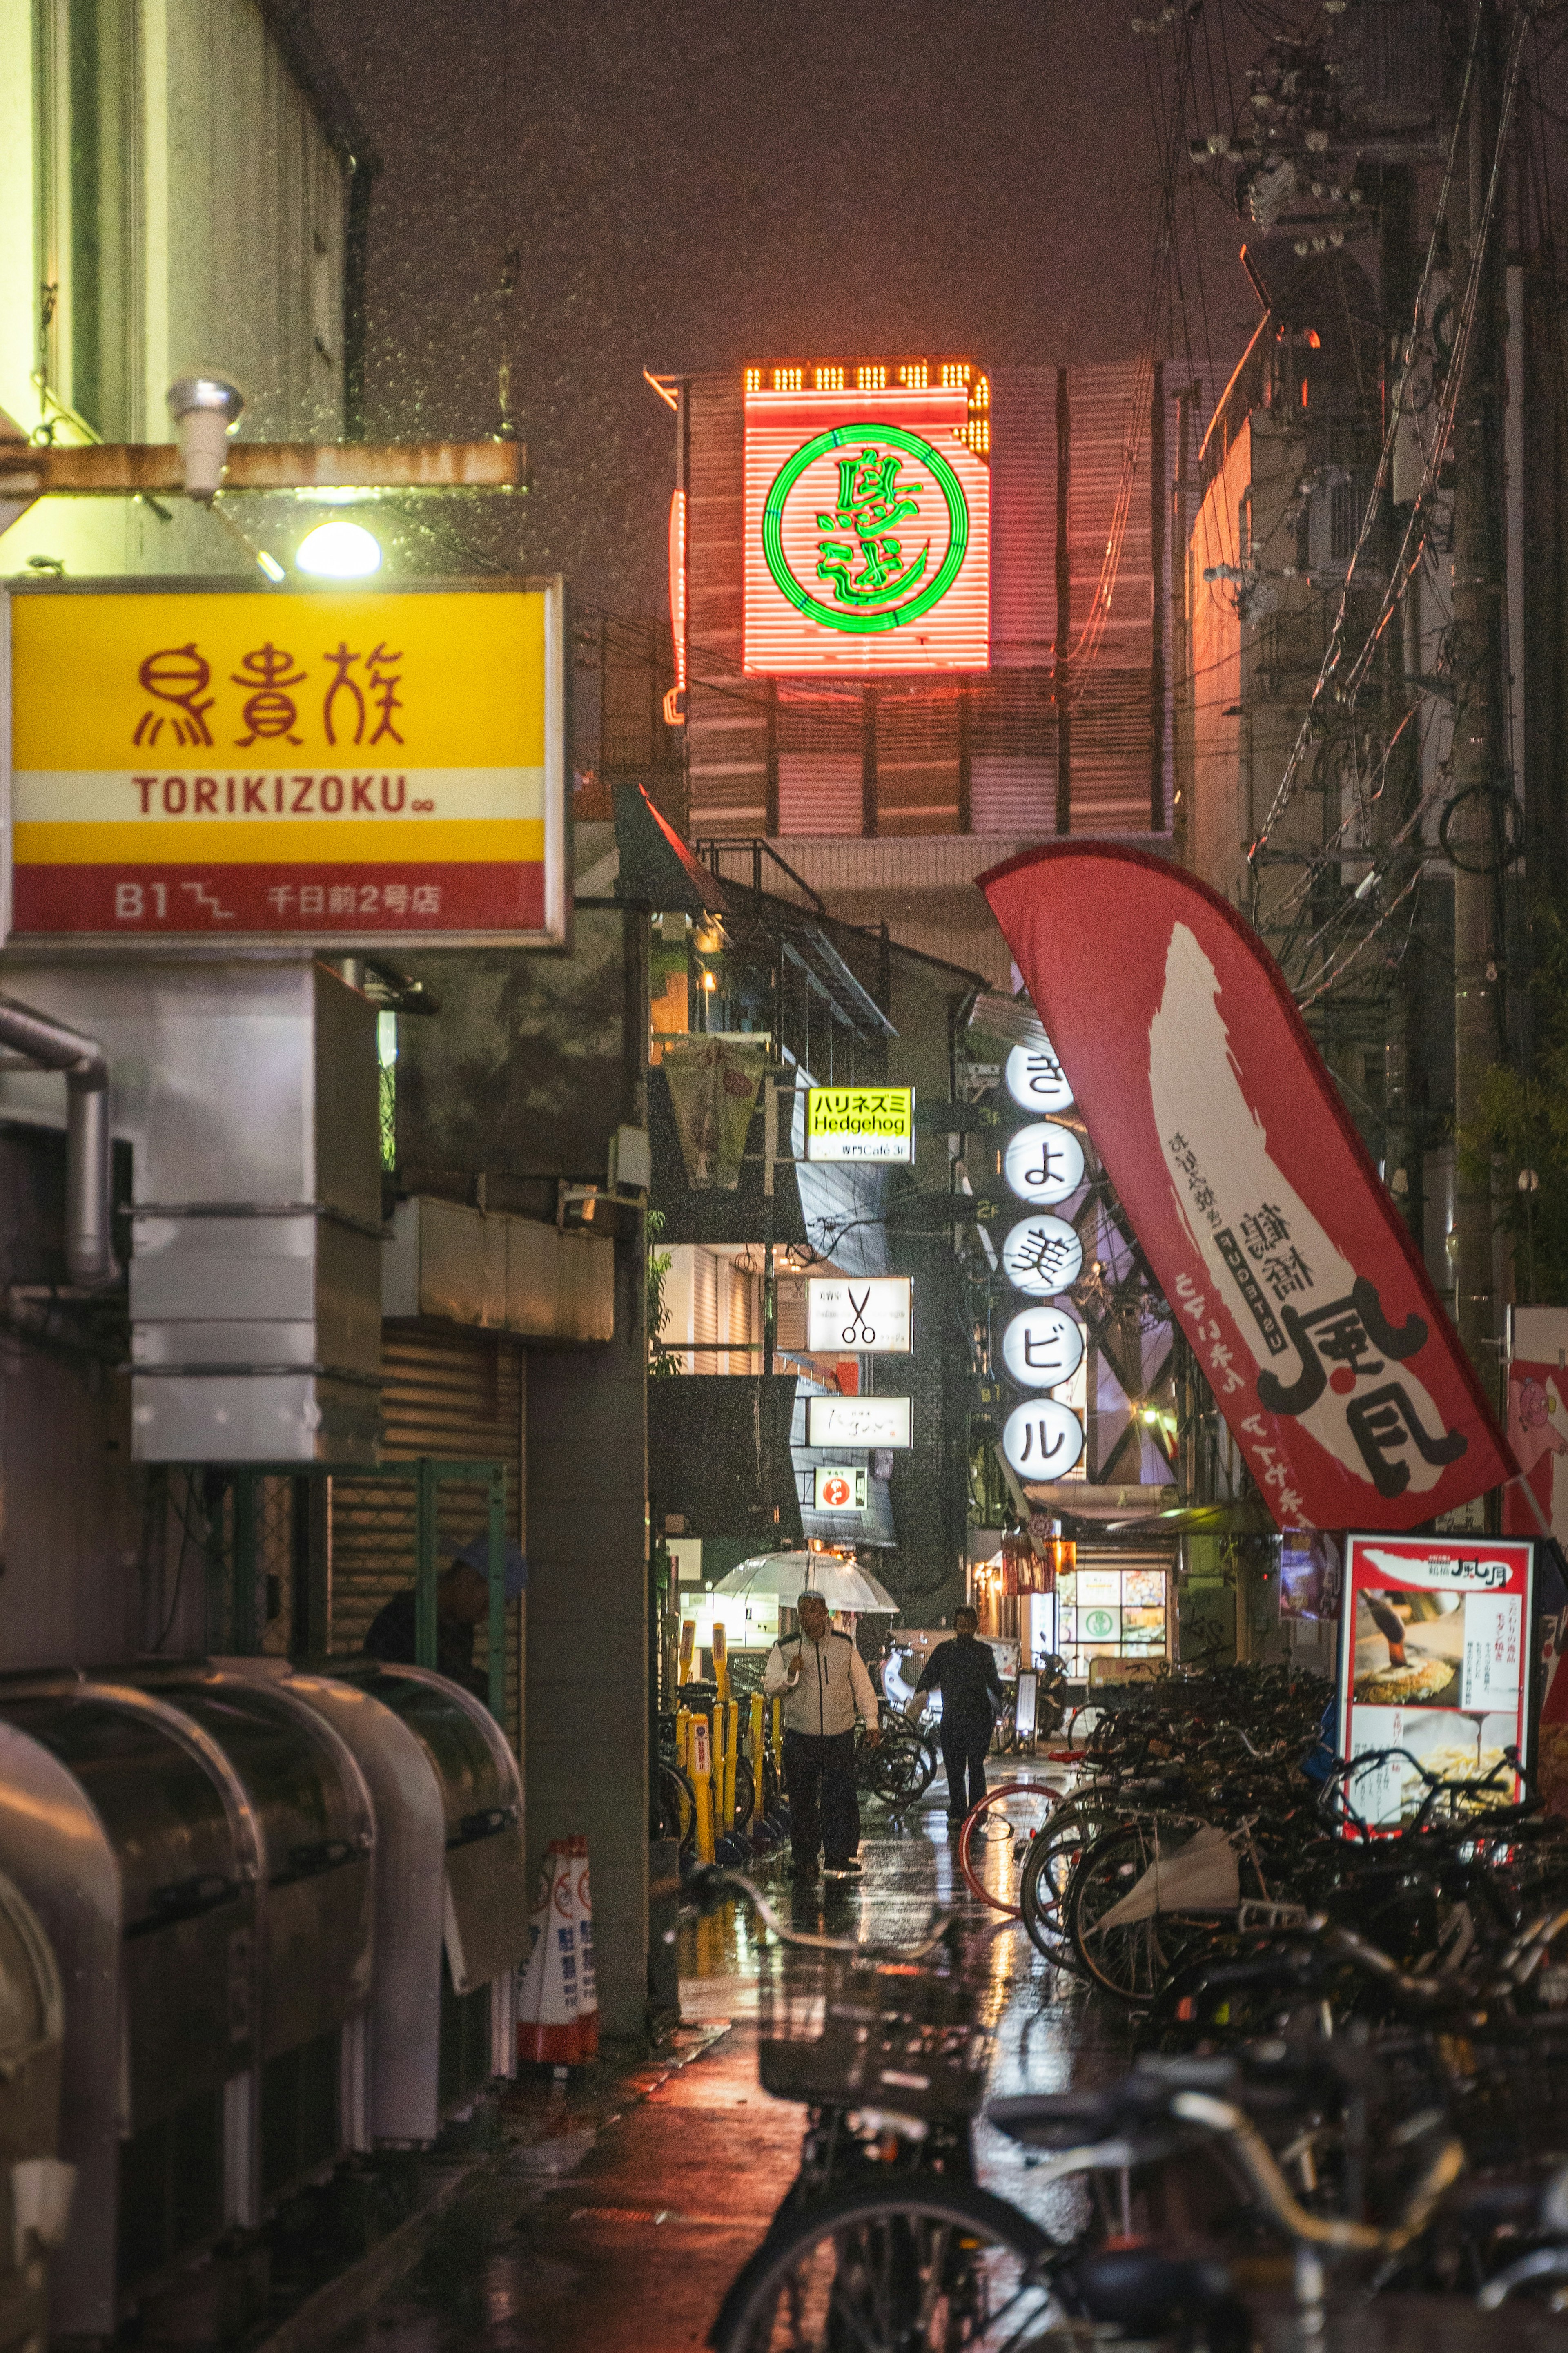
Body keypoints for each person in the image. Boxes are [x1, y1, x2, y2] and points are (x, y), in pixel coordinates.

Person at [763, 1591, 880, 1884]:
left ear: (826, 1613)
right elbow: (770, 1686)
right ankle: (804, 1859)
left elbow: (862, 1684)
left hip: (839, 1732)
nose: (809, 1617)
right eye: (803, 1611)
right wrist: (790, 1674)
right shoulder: (787, 1647)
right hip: (801, 1734)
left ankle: (839, 1855)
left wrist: (872, 1721)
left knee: (839, 1796)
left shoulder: (844, 1645)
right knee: (802, 1800)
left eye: (815, 1611)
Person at [363, 1537, 527, 1697]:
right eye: (487, 1604)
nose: (484, 1617)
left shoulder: (460, 1626)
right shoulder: (402, 1618)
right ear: (468, 1578)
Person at [911, 1607, 1004, 1829]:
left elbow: (928, 1677)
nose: (963, 1629)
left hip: (957, 1717)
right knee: (971, 1766)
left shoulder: (947, 1651)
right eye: (961, 1624)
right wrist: (1005, 1693)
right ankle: (976, 1813)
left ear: (972, 1627)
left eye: (966, 1624)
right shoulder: (981, 1651)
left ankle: (960, 1812)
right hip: (974, 1718)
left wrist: (919, 1693)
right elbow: (994, 1683)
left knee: (961, 1767)